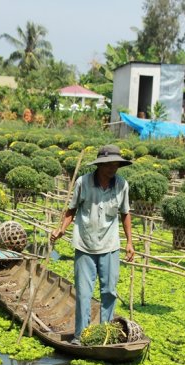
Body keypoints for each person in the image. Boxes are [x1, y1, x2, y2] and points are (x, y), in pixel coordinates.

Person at [50, 144, 135, 345]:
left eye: (115, 164)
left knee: (109, 292)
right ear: (99, 165)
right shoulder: (83, 183)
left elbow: (125, 213)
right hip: (84, 245)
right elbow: (71, 209)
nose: (112, 168)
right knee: (84, 293)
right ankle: (81, 336)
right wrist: (61, 229)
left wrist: (130, 242)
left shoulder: (122, 185)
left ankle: (105, 334)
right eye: (108, 164)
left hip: (110, 245)